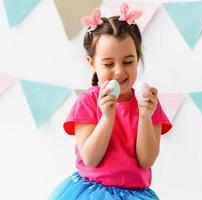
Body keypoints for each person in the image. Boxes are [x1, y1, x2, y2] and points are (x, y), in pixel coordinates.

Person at [49, 3, 172, 199]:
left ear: (138, 60)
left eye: (128, 62)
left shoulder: (148, 103)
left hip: (135, 194)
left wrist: (145, 117)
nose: (119, 71)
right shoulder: (88, 101)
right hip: (92, 193)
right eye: (108, 63)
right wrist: (107, 117)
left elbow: (147, 159)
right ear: (92, 63)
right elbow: (90, 158)